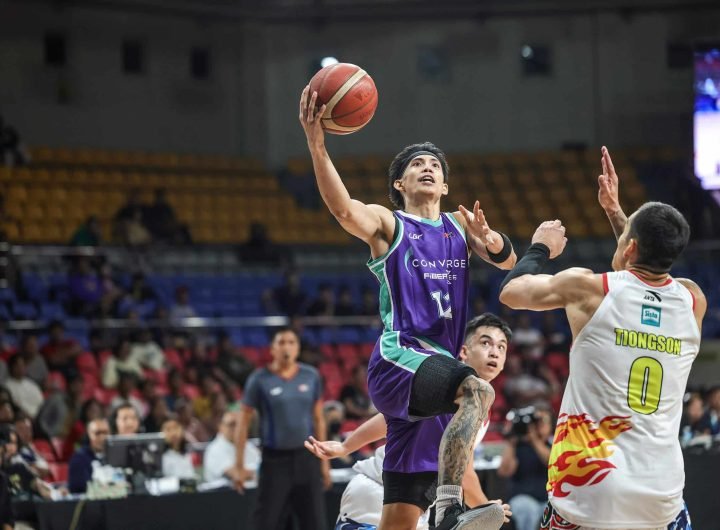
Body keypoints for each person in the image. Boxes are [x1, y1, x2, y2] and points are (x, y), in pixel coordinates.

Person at [299, 86, 517, 530]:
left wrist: (492, 239)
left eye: (434, 164)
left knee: (399, 520)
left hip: (431, 377)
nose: (427, 168)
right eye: (417, 164)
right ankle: (451, 508)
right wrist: (317, 144)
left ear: (446, 184)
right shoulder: (389, 223)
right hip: (401, 357)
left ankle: (435, 506)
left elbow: (509, 262)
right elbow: (343, 210)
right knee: (479, 391)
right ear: (400, 184)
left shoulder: (459, 225)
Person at [498, 147, 705, 530]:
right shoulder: (693, 299)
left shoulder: (588, 290)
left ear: (629, 247)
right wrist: (616, 214)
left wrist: (541, 246)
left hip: (589, 485)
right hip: (661, 491)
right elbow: (643, 269)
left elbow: (512, 292)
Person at [306, 313, 514, 529]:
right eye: (485, 343)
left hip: (414, 500)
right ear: (463, 351)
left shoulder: (476, 402)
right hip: (381, 491)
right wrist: (484, 507)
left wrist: (345, 446)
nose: (494, 352)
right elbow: (465, 474)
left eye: (501, 347)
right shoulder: (446, 387)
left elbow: (393, 417)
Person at [232, 327, 331, 530]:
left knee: (315, 523)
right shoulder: (259, 379)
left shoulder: (310, 376)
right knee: (266, 523)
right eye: (281, 342)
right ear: (272, 349)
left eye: (291, 342)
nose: (286, 346)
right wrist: (239, 466)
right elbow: (242, 424)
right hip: (274, 462)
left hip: (307, 459)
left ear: (298, 348)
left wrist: (324, 463)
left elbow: (319, 419)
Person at [497, 406, 554, 530]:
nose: (538, 426)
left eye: (543, 421)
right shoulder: (518, 447)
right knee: (527, 508)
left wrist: (534, 440)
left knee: (556, 511)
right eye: (535, 422)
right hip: (523, 499)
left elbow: (552, 463)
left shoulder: (554, 446)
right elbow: (504, 471)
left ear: (551, 426)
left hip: (549, 500)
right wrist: (511, 440)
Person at [203, 411, 260, 483]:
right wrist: (256, 472)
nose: (236, 428)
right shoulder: (214, 449)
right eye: (231, 424)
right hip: (224, 493)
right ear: (221, 427)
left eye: (238, 424)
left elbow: (262, 465)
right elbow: (236, 475)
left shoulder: (247, 445)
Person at [68, 418, 110, 494]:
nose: (102, 437)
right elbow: (78, 488)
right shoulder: (79, 459)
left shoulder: (117, 455)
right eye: (97, 433)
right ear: (89, 435)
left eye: (105, 433)